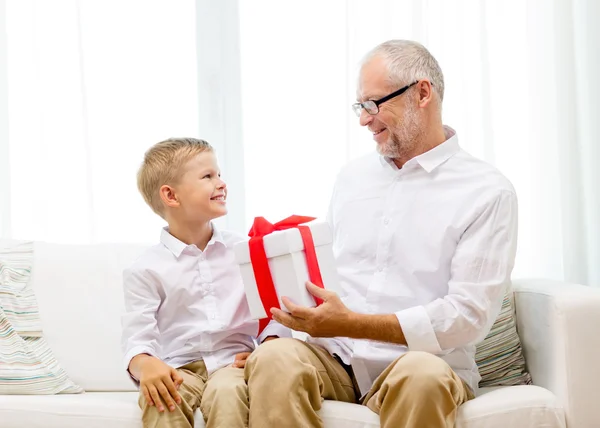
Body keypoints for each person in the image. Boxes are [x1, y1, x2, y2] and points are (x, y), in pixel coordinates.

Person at [244, 40, 518, 428]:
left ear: (422, 93)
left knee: (423, 378)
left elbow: (467, 316)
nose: (364, 119)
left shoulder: (487, 191)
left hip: (420, 363)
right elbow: (322, 276)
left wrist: (351, 323)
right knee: (273, 358)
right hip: (336, 358)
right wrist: (277, 332)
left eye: (374, 104)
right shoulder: (352, 178)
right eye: (360, 106)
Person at [121, 137, 289, 428]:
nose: (221, 183)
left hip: (232, 364)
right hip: (178, 369)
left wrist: (268, 347)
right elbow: (137, 340)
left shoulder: (246, 250)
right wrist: (146, 364)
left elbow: (274, 313)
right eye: (208, 176)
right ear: (171, 196)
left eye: (219, 174)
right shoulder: (145, 269)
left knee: (229, 394)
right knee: (160, 399)